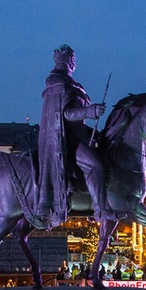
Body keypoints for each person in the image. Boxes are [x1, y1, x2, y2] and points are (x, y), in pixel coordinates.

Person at [34, 44, 107, 225]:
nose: (73, 63)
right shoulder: (59, 84)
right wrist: (90, 111)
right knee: (95, 166)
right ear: (67, 61)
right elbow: (65, 114)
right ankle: (99, 209)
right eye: (71, 60)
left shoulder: (66, 83)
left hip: (77, 134)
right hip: (68, 141)